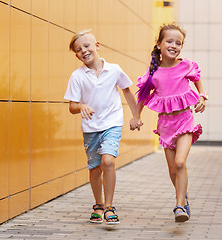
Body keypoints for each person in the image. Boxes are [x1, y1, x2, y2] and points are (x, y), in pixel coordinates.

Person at [130, 23, 208, 222]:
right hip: (166, 125)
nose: (174, 45)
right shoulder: (154, 72)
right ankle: (184, 197)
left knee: (180, 163)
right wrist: (136, 116)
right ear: (159, 44)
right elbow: (143, 95)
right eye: (170, 41)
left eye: (178, 43)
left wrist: (202, 96)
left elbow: (197, 79)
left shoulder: (185, 65)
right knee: (172, 169)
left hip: (185, 121)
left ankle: (179, 206)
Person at [64, 30, 142, 225]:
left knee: (108, 161)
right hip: (91, 128)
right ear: (77, 55)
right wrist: (81, 106)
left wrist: (136, 116)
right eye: (79, 49)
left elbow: (127, 91)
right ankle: (98, 204)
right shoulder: (77, 76)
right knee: (95, 168)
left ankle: (109, 206)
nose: (84, 51)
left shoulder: (114, 70)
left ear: (97, 45)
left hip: (112, 123)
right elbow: (72, 106)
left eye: (87, 46)